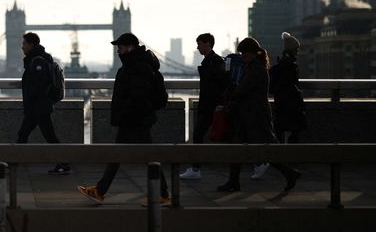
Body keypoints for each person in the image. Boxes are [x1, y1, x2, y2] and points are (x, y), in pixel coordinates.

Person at [77, 33, 169, 204]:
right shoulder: (134, 64)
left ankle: (162, 194)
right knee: (119, 155)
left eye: (120, 48)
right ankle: (100, 190)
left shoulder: (138, 67)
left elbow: (137, 97)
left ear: (130, 47)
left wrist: (124, 114)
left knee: (149, 158)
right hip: (133, 119)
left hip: (136, 120)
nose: (118, 51)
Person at [216, 37, 300, 193]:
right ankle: (233, 182)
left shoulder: (256, 69)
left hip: (256, 116)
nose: (241, 56)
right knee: (239, 149)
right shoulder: (253, 66)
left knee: (264, 150)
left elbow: (243, 90)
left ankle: (290, 173)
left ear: (251, 53)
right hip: (248, 115)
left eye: (243, 53)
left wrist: (232, 92)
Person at [17, 32, 71, 175]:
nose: (22, 47)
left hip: (39, 107)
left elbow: (40, 85)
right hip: (39, 107)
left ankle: (64, 163)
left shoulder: (37, 61)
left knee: (47, 136)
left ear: (31, 45)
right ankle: (14, 163)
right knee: (25, 134)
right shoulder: (37, 59)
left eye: (24, 44)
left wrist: (33, 101)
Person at [179, 33, 227, 180]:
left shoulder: (214, 61)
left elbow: (220, 84)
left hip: (211, 106)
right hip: (209, 105)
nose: (197, 47)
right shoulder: (212, 61)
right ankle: (196, 168)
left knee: (199, 134)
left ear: (207, 44)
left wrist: (219, 104)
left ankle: (196, 168)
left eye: (199, 44)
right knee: (208, 135)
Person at [270, 32, 307, 144]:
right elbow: (292, 85)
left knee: (279, 132)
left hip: (280, 104)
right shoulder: (290, 66)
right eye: (296, 49)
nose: (298, 51)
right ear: (292, 50)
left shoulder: (280, 65)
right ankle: (288, 157)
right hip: (291, 105)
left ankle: (280, 158)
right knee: (295, 132)